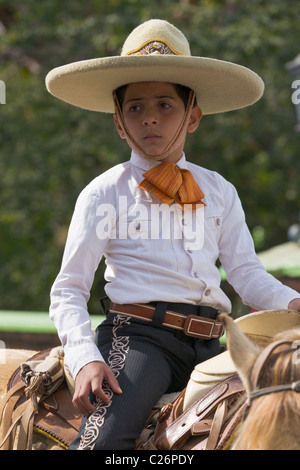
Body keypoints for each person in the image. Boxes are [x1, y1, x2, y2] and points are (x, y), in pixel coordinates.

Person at [46, 19, 300, 450]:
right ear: (119, 123)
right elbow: (68, 290)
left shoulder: (220, 190)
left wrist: (294, 303)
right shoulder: (104, 192)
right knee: (102, 446)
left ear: (193, 116)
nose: (150, 119)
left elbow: (245, 273)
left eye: (165, 105)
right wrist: (86, 357)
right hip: (140, 341)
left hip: (214, 344)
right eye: (135, 108)